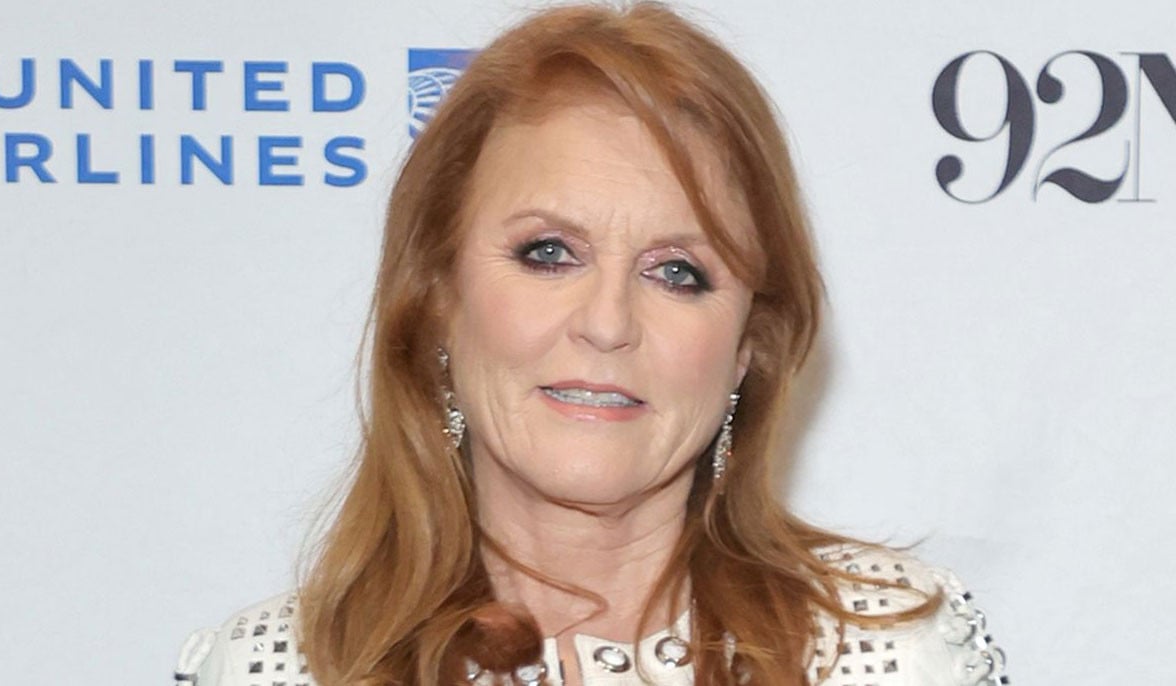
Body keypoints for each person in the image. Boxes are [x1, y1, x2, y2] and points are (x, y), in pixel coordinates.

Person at [175, 3, 1007, 684]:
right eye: (549, 253)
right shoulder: (275, 669)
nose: (608, 322)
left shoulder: (888, 654)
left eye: (677, 272)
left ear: (748, 345)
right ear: (437, 303)